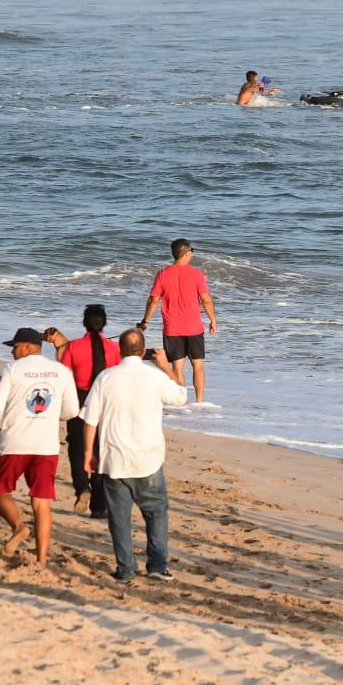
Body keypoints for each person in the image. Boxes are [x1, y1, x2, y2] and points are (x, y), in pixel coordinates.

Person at [80, 328, 188, 583]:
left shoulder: (106, 377)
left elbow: (90, 419)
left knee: (119, 518)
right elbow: (181, 396)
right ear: (142, 351)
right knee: (156, 512)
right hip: (148, 457)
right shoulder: (153, 376)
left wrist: (88, 453)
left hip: (115, 458)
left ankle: (126, 568)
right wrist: (166, 366)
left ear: (119, 350)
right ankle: (157, 565)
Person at [0, 327, 79, 567]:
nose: (13, 352)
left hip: (15, 439)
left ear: (27, 347)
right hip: (46, 444)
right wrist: (49, 416)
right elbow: (72, 410)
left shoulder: (12, 369)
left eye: (15, 347)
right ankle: (42, 558)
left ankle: (18, 527)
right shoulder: (61, 371)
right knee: (41, 502)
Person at [46, 305, 121, 518]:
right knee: (101, 451)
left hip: (78, 399)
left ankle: (82, 488)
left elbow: (64, 378)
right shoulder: (114, 349)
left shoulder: (73, 348)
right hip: (105, 400)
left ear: (84, 324)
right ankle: (99, 506)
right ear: (104, 323)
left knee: (77, 449)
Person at [139, 238, 217, 404]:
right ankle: (200, 401)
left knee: (177, 368)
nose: (192, 254)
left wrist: (145, 321)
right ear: (187, 253)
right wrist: (213, 320)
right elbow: (206, 299)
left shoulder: (163, 274)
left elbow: (153, 300)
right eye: (191, 251)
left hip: (172, 329)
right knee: (198, 365)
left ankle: (182, 402)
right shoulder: (196, 274)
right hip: (194, 328)